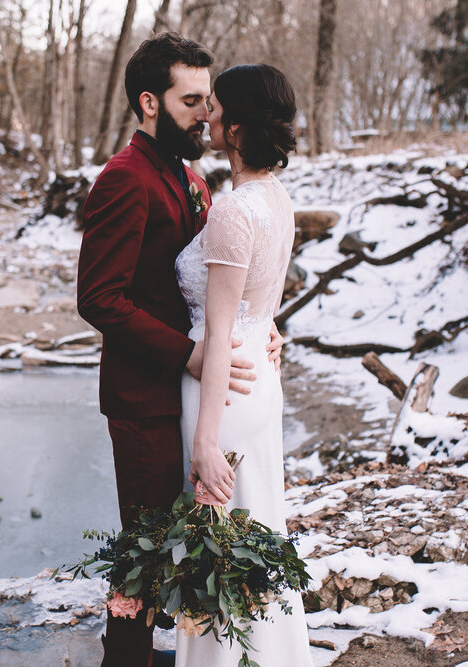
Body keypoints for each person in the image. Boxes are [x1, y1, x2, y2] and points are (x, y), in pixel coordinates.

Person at [77, 34, 282, 667]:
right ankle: (125, 660)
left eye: (209, 99)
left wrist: (260, 324)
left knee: (193, 547)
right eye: (192, 99)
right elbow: (100, 298)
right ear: (149, 103)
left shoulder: (191, 176)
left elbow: (215, 279)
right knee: (140, 557)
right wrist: (190, 355)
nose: (206, 113)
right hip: (144, 398)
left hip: (195, 397)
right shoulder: (124, 179)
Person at [174, 64, 313, 666]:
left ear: (237, 127)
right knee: (256, 536)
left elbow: (220, 327)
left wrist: (205, 442)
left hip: (223, 393)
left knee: (218, 555)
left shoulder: (233, 209)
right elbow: (261, 296)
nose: (206, 114)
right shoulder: (275, 198)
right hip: (257, 380)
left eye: (216, 106)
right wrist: (271, 326)